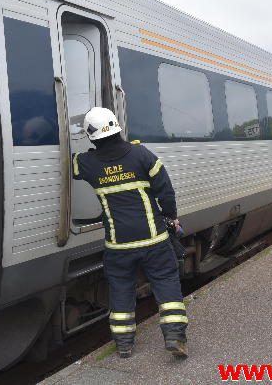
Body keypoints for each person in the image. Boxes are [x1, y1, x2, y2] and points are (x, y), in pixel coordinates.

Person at [72, 107, 188, 359]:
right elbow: (165, 191)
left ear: (91, 136)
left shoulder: (88, 163)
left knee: (121, 290)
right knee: (166, 283)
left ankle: (124, 344)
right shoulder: (141, 154)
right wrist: (171, 217)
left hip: (118, 246)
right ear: (117, 127)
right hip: (154, 240)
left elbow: (73, 166)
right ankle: (175, 337)